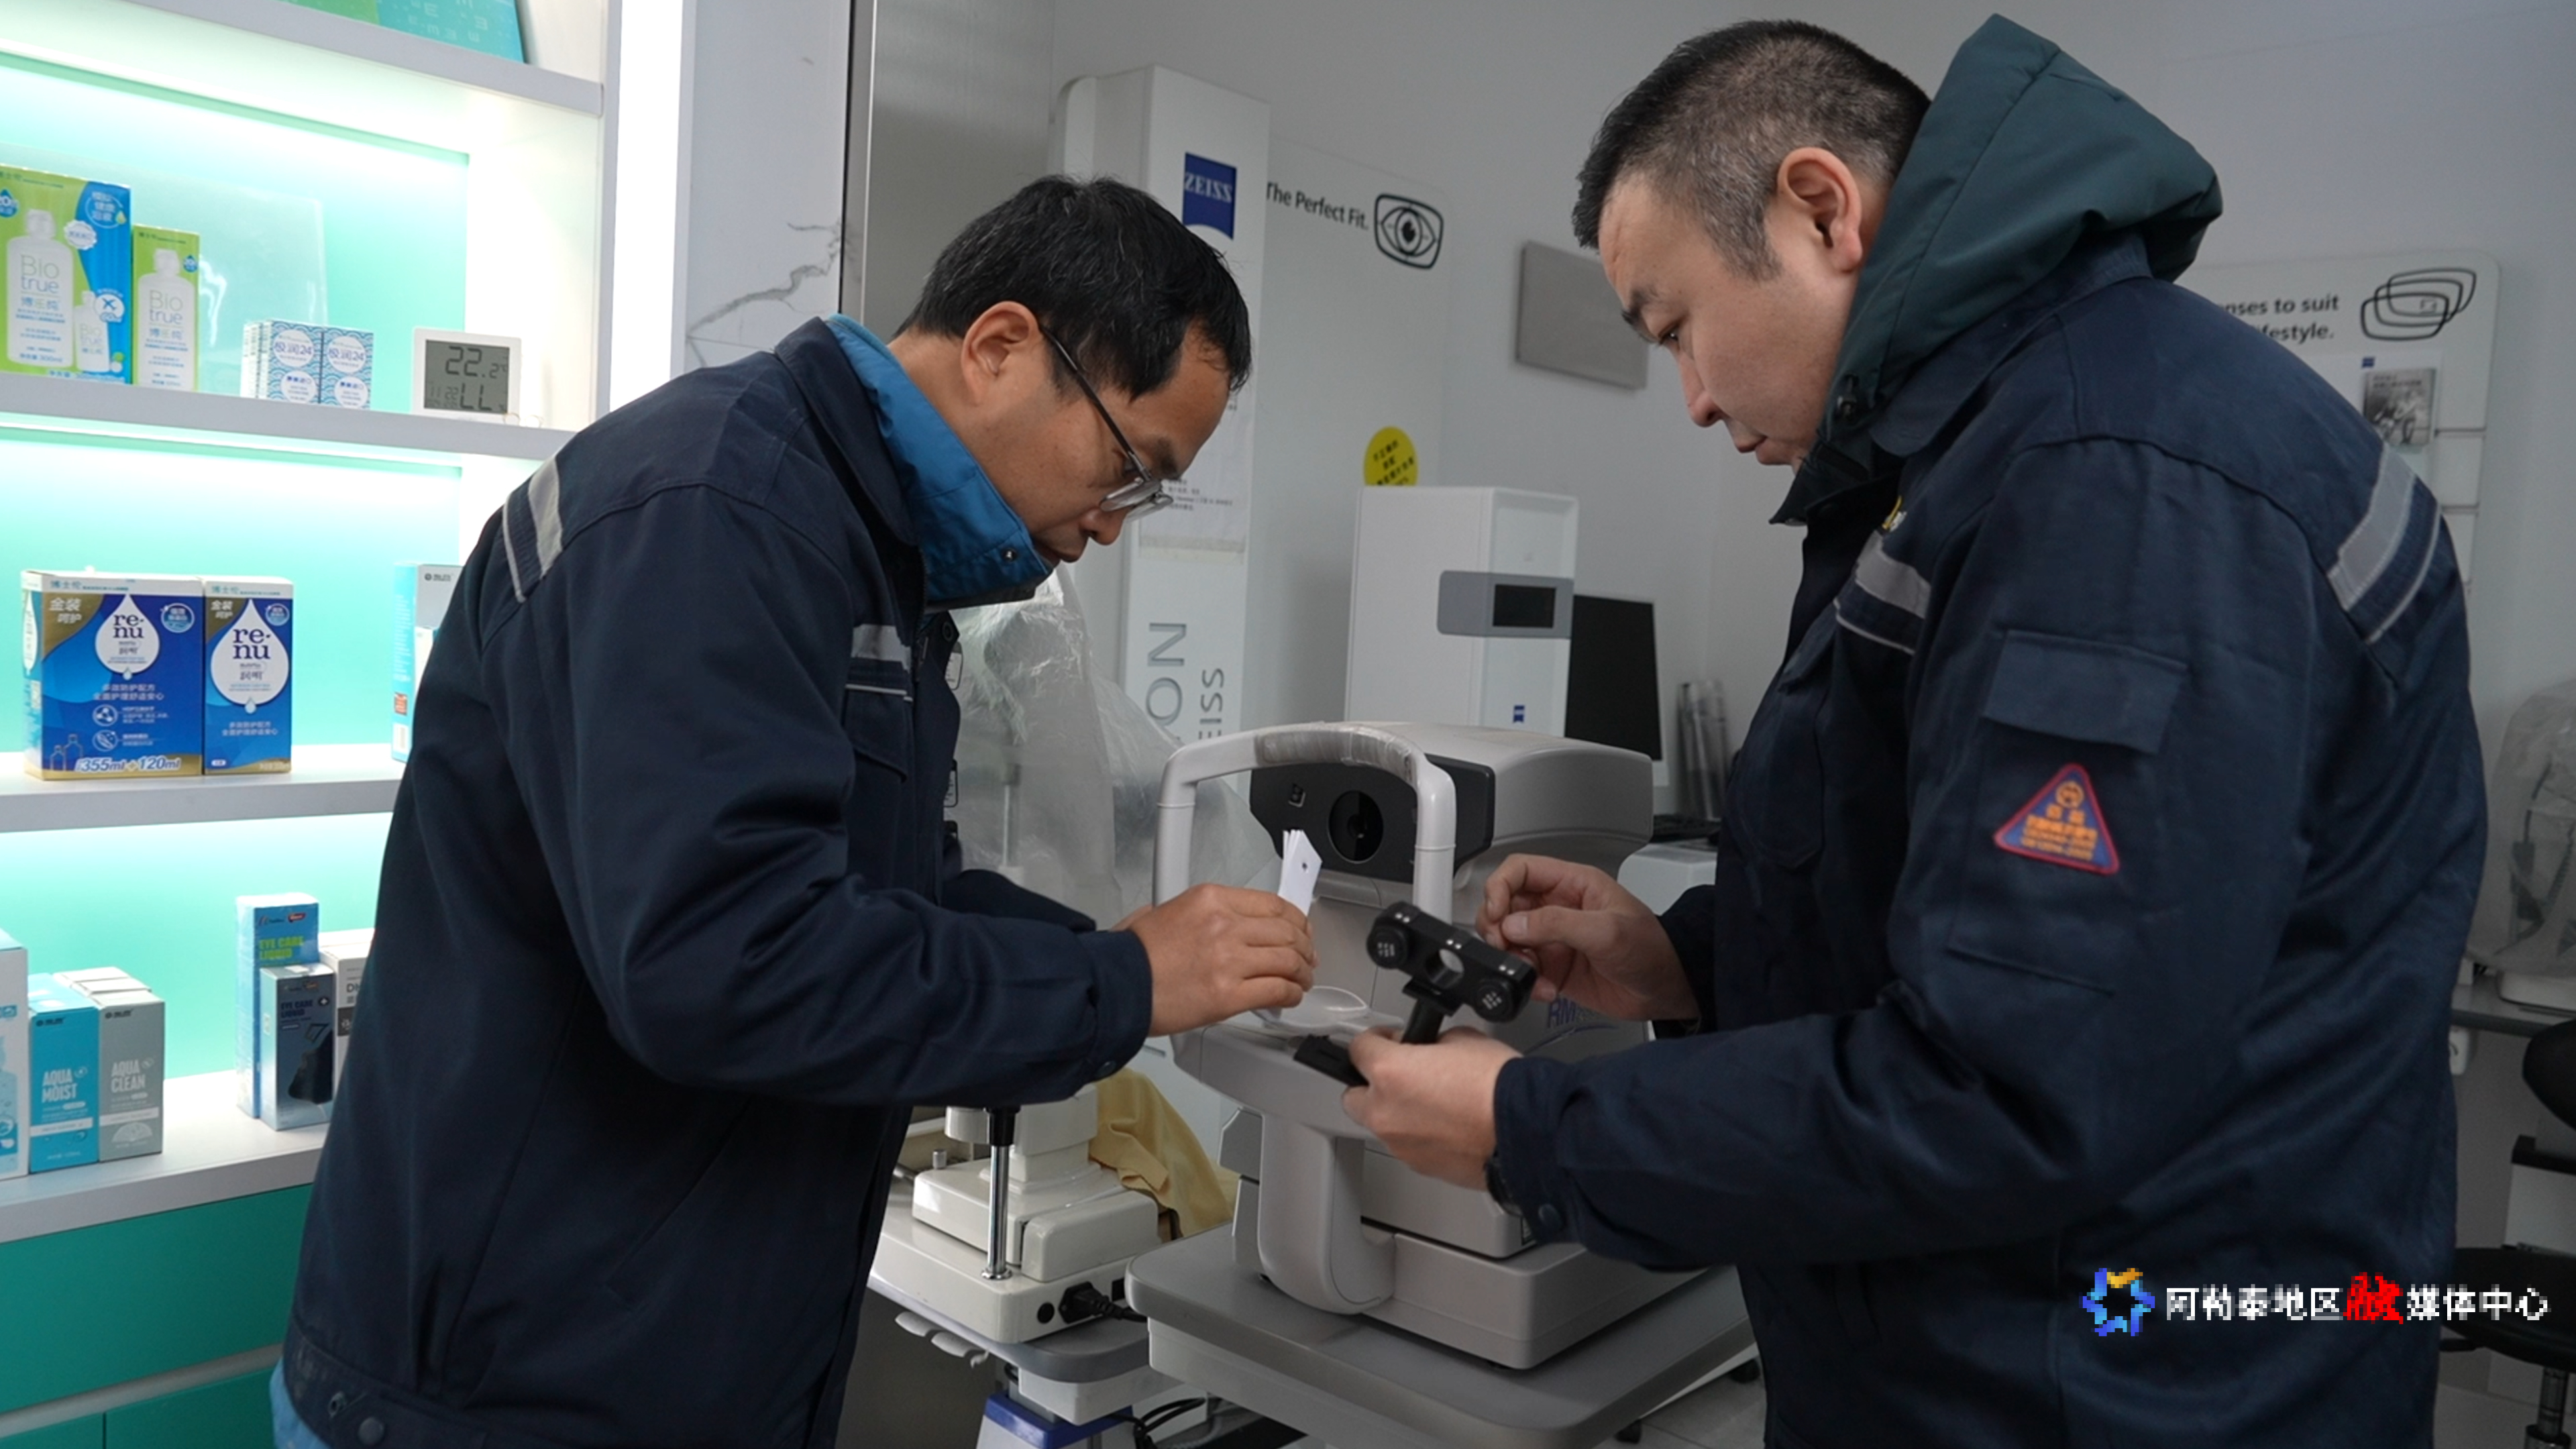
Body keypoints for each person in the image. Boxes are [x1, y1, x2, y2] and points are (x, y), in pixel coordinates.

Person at [1343, 17, 2481, 1446]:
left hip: (2117, 1388)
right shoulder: (1994, 453)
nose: (1690, 397)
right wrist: (1689, 961)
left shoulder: (2112, 484)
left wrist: (1533, 1134)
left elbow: (2009, 1088)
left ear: (1824, 211)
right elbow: (1975, 908)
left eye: (1676, 325)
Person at [275, 178, 1315, 1449]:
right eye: (1129, 468)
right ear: (1001, 346)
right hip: (510, 1389)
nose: (1110, 523)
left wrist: (1134, 958)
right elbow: (727, 963)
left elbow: (884, 888)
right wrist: (1120, 984)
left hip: (683, 1357)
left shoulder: (864, 553)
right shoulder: (714, 509)